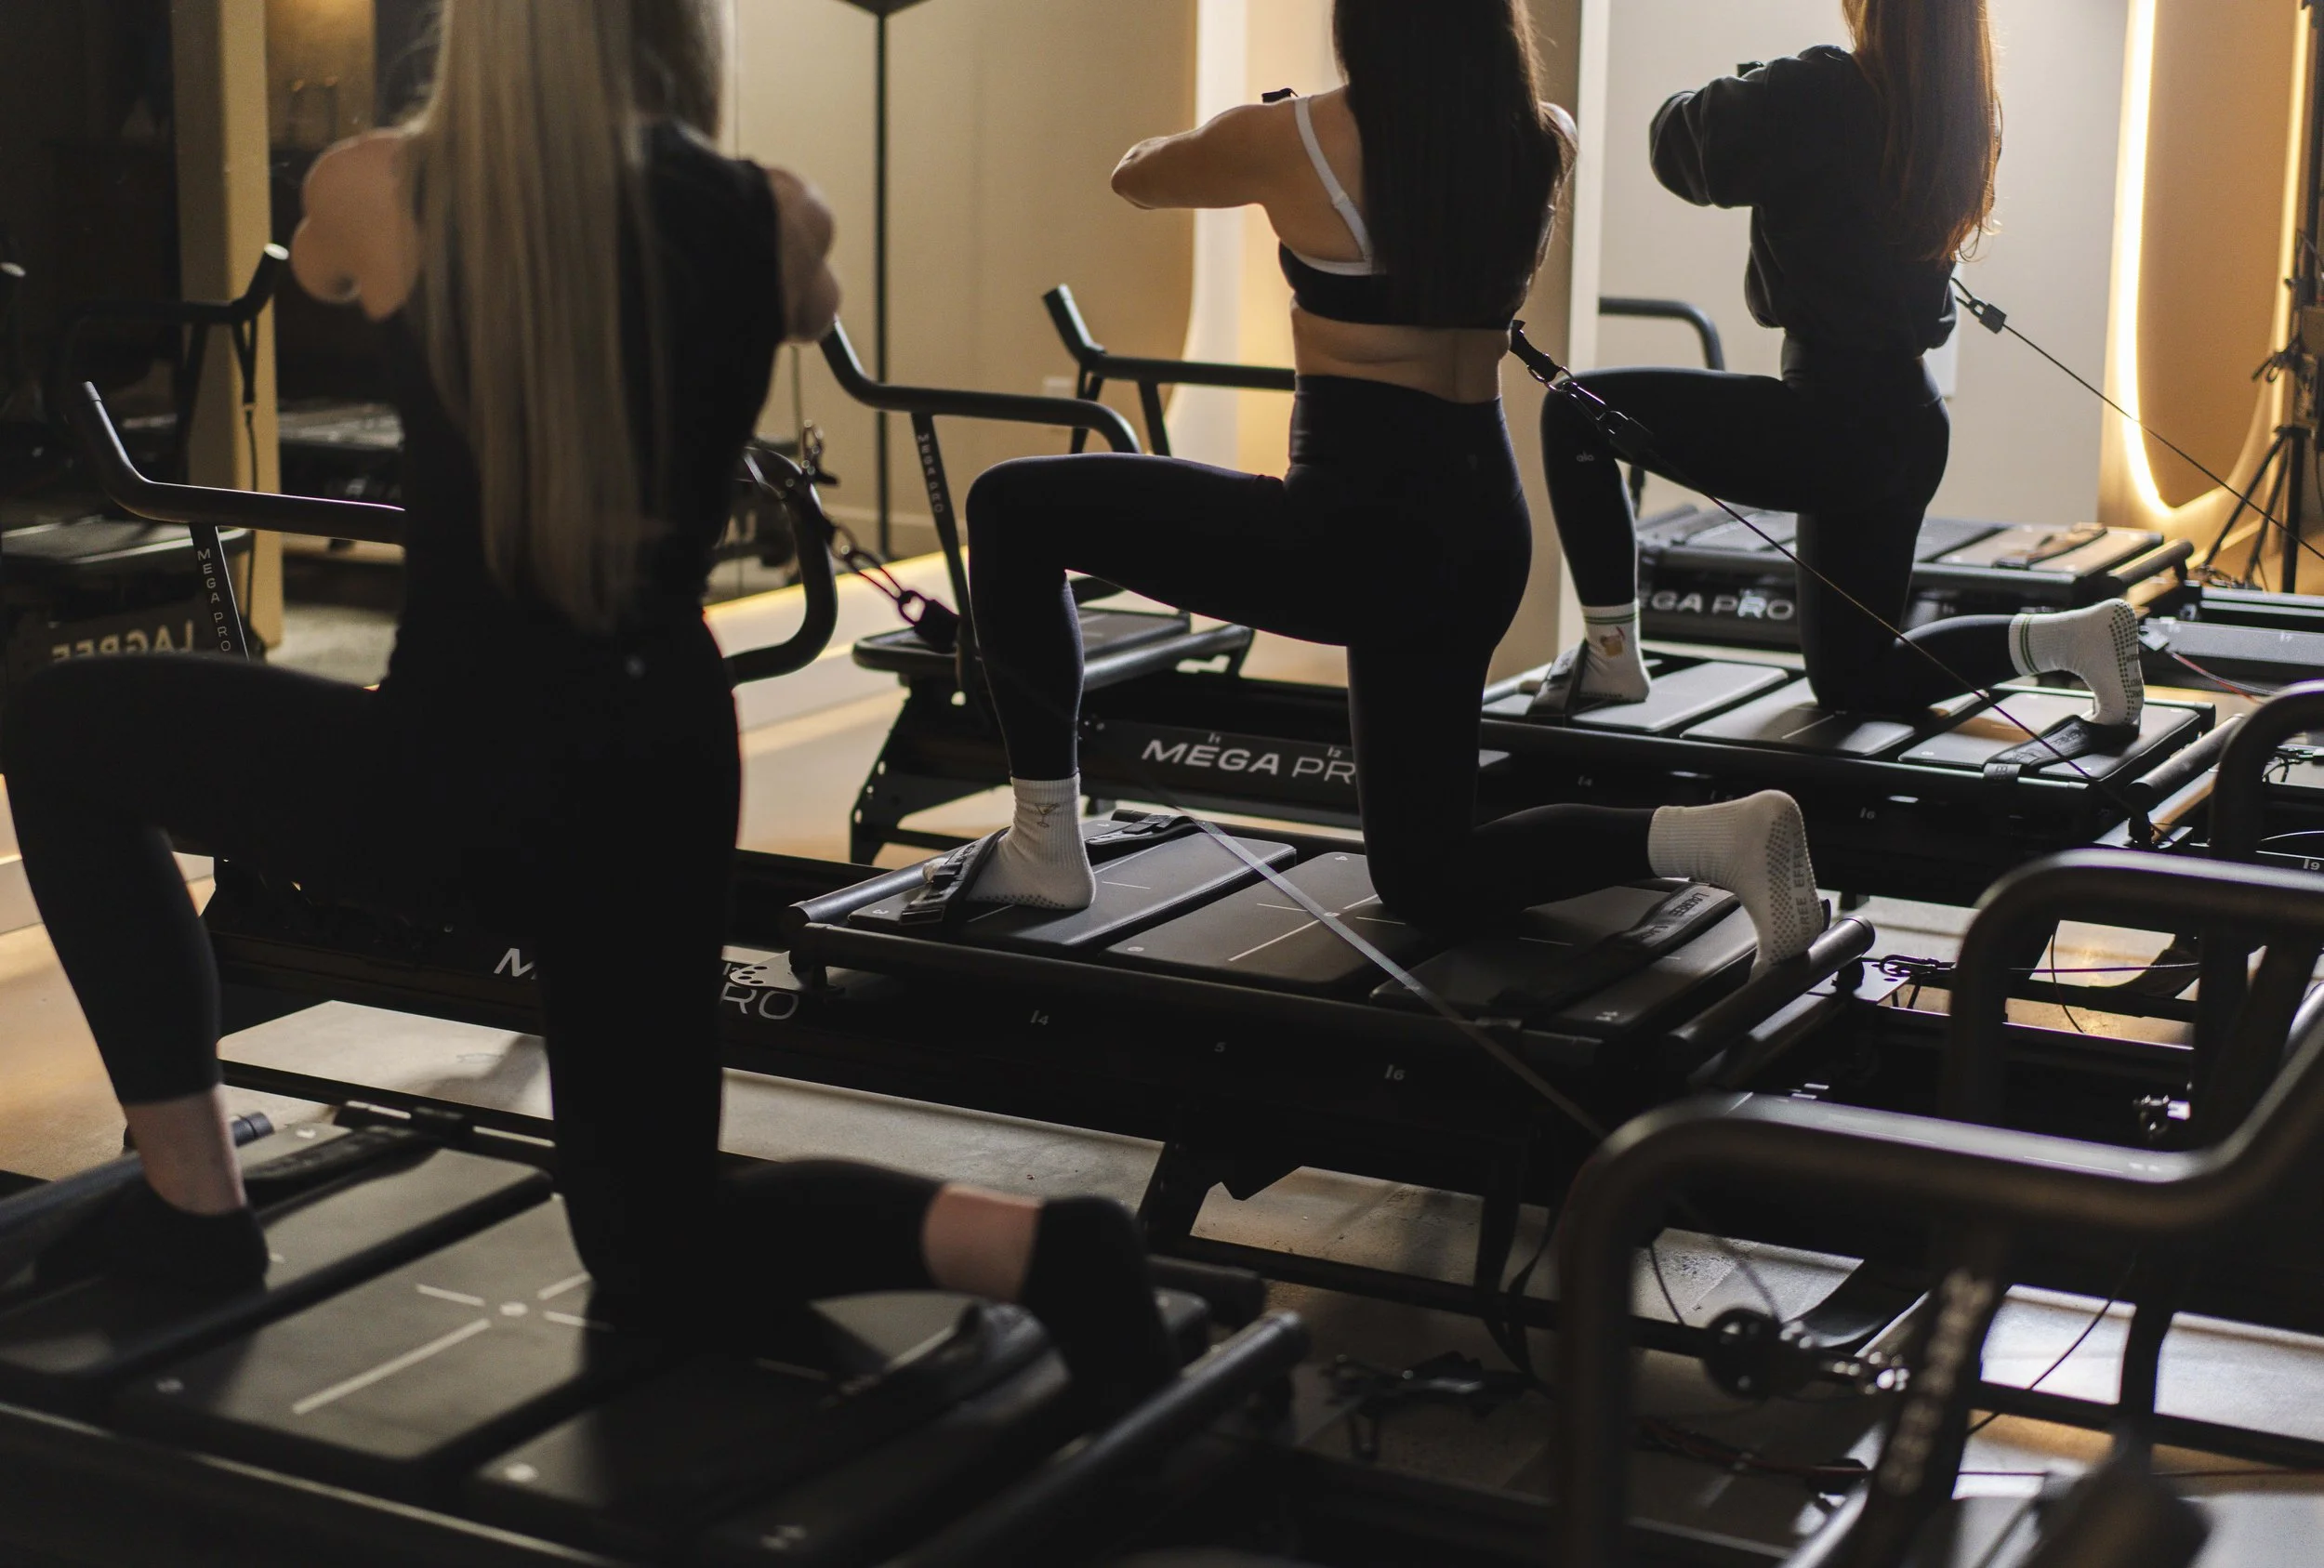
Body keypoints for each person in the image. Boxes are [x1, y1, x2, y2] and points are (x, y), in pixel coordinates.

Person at [1, 0, 1172, 1411]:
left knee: (57, 736)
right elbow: (809, 304)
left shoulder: (378, 185)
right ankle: (1051, 1245)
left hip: (449, 772)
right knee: (658, 1253)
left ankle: (195, 1201)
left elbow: (316, 265)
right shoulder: (772, 215)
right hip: (660, 770)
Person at [958, 0, 1825, 966]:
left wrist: (1259, 127)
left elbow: (1137, 177)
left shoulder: (1293, 137)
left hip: (1352, 527)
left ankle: (1041, 845)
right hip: (1479, 528)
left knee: (1011, 505)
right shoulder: (1544, 138)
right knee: (1426, 874)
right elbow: (1431, 180)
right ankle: (1718, 835)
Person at [1536, 0, 2145, 735]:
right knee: (1857, 678)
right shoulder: (1957, 115)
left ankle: (1607, 655)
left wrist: (1759, 82)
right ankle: (2070, 639)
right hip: (1908, 424)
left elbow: (1676, 143)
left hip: (1828, 420)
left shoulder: (1823, 88)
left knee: (1573, 410)